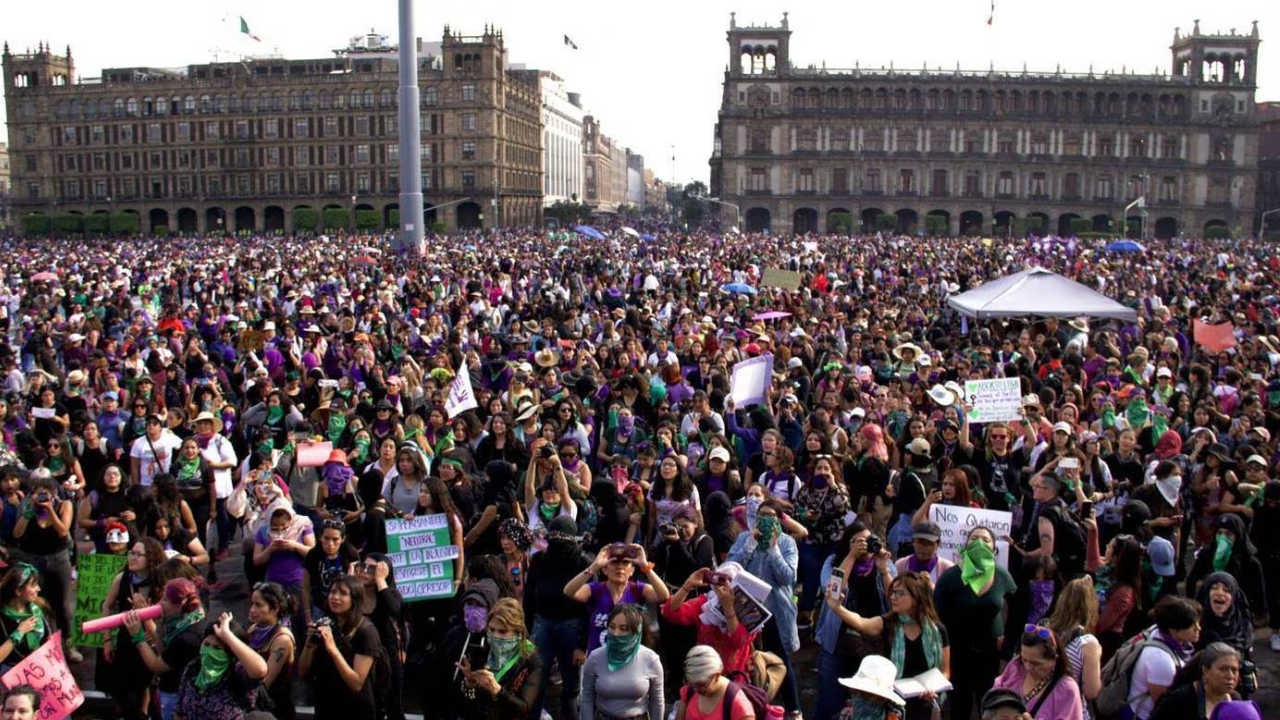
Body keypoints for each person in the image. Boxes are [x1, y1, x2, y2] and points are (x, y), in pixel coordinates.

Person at [824, 573, 949, 720]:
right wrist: (837, 608)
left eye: (899, 593)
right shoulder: (888, 623)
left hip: (927, 702)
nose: (893, 597)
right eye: (892, 592)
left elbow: (945, 671)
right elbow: (861, 622)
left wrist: (933, 689)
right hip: (893, 703)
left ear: (916, 598)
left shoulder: (937, 630)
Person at [726, 496, 800, 719]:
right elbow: (730, 567)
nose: (765, 521)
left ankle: (794, 709)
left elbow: (787, 577)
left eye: (771, 517)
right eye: (761, 517)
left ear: (779, 520)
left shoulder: (787, 543)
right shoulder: (744, 538)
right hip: (747, 610)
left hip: (775, 611)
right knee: (747, 659)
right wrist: (750, 544)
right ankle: (752, 707)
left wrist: (773, 549)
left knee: (780, 660)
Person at [932, 527, 1017, 720]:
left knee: (989, 707)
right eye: (974, 538)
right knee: (959, 708)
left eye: (985, 540)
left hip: (990, 656)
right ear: (965, 545)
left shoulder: (1001, 576)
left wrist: (1009, 640)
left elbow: (1019, 608)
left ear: (994, 548)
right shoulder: (950, 577)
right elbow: (936, 616)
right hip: (957, 655)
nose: (979, 542)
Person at [10, 472, 76, 663]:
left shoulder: (64, 505)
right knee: (39, 602)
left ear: (54, 493)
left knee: (64, 605)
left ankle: (68, 644)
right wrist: (28, 513)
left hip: (59, 559)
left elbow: (63, 531)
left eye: (46, 493)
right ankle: (47, 646)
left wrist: (50, 510)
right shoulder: (27, 507)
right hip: (35, 559)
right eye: (38, 493)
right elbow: (16, 534)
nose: (42, 497)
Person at [123, 577, 209, 720]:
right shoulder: (191, 618)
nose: (159, 603)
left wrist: (138, 637)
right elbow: (163, 650)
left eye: (165, 600)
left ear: (179, 605)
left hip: (176, 694)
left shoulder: (187, 638)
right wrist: (158, 624)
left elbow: (156, 665)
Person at [564, 542, 670, 654]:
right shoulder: (595, 589)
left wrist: (645, 566)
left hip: (629, 657)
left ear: (632, 570)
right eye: (614, 562)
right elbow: (569, 591)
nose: (620, 567)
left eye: (625, 562)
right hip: (598, 658)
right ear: (604, 569)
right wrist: (594, 566)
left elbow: (663, 596)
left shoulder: (638, 589)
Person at [298, 574, 380, 720]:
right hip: (326, 706)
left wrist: (333, 649)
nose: (335, 597)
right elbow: (302, 672)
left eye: (343, 593)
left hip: (354, 710)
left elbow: (356, 684)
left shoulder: (366, 632)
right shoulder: (326, 624)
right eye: (333, 592)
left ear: (354, 599)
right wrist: (309, 643)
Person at [455, 598, 542, 720]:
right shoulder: (482, 648)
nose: (495, 636)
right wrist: (470, 683)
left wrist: (497, 690)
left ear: (518, 633)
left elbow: (523, 708)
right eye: (491, 629)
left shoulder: (530, 660)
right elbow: (465, 706)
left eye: (502, 631)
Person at [172, 612, 269, 720]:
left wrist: (227, 635)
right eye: (206, 644)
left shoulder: (238, 673)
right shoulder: (194, 668)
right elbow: (179, 712)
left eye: (217, 648)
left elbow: (260, 670)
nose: (209, 652)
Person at [581, 604, 664, 720]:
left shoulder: (651, 659)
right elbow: (587, 698)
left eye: (623, 628)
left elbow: (657, 701)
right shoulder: (595, 657)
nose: (615, 633)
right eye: (612, 627)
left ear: (636, 631)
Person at [1127, 596, 1204, 720]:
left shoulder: (1160, 632)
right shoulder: (1161, 660)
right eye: (1191, 625)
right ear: (1173, 629)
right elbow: (1163, 706)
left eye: (1198, 622)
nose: (1198, 628)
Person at [992, 626, 1084, 720]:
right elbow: (993, 697)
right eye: (1024, 659)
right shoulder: (1016, 666)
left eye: (1035, 663)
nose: (1028, 667)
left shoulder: (1067, 690)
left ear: (1054, 660)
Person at [1043, 578, 1103, 719]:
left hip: (1043, 706)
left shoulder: (1044, 629)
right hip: (1071, 711)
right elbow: (1091, 691)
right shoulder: (1088, 644)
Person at [1194, 573, 1255, 697]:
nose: (1219, 593)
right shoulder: (1196, 624)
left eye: (1226, 590)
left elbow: (1247, 655)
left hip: (1235, 691)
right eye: (1214, 588)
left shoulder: (1242, 624)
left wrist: (1250, 674)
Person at [246, 582, 298, 720]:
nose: (252, 609)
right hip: (252, 703)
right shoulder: (253, 629)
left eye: (258, 605)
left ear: (275, 609)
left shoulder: (282, 640)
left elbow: (265, 683)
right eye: (252, 604)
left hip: (274, 707)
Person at [1148, 643, 1242, 720]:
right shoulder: (1181, 700)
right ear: (1205, 671)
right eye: (1223, 669)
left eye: (1234, 670)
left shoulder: (1235, 699)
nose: (1230, 676)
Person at [302, 518, 360, 625]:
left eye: (335, 539)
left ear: (343, 539)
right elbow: (305, 586)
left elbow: (357, 587)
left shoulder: (350, 554)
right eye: (326, 538)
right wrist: (308, 616)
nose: (330, 543)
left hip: (345, 609)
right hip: (319, 608)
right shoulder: (313, 555)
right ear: (320, 537)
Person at [674, 645, 755, 720]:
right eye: (692, 683)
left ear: (716, 676)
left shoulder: (737, 703)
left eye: (701, 685)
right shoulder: (690, 690)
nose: (696, 690)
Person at [0, 564, 52, 674]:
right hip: (11, 672)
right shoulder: (2, 618)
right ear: (18, 591)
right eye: (33, 585)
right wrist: (19, 633)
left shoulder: (37, 608)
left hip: (39, 669)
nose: (39, 589)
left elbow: (47, 641)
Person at [835, 655, 906, 720]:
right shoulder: (844, 716)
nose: (857, 696)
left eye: (864, 693)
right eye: (854, 690)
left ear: (882, 699)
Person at [893, 521, 953, 588]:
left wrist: (930, 585)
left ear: (938, 544)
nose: (924, 547)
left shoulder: (947, 568)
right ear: (912, 541)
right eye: (920, 542)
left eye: (929, 543)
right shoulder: (900, 565)